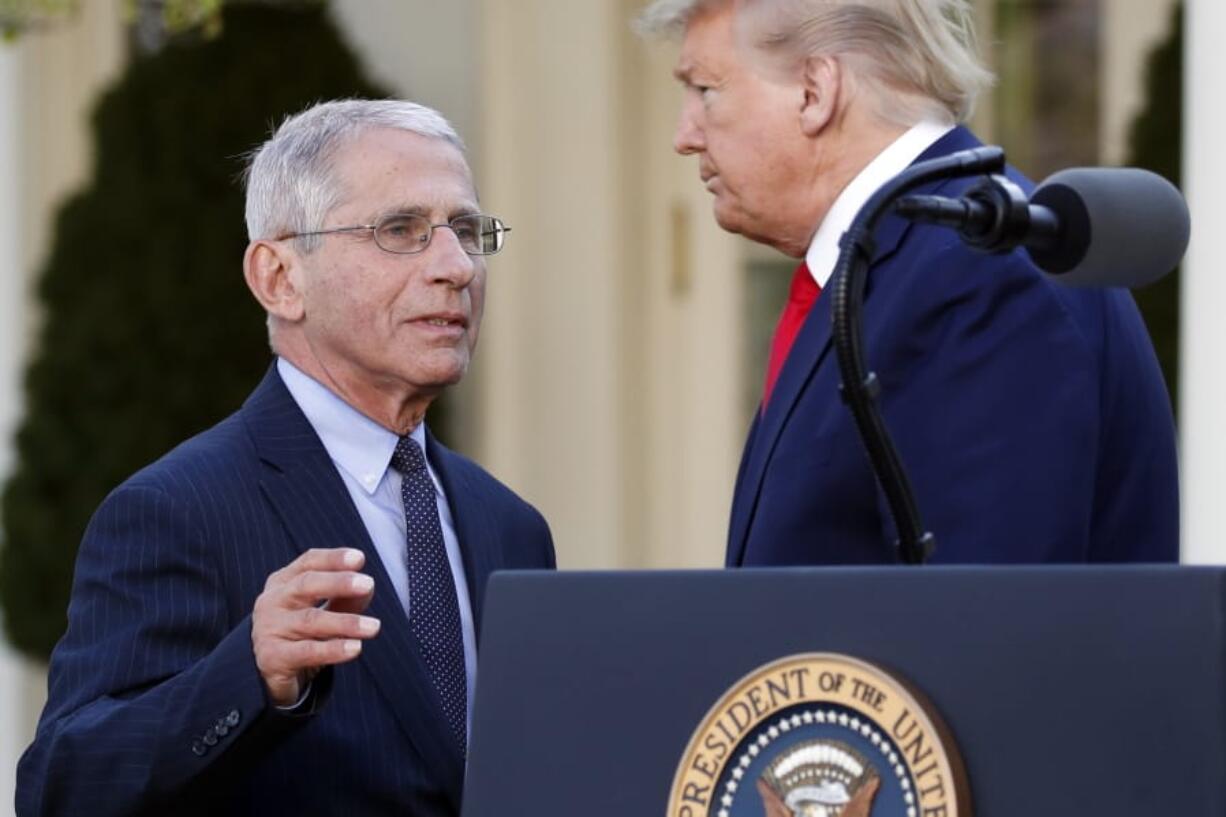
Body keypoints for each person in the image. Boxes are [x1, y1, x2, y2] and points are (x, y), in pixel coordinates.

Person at [16, 99, 555, 816]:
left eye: (464, 230)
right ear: (278, 277)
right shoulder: (177, 511)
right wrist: (249, 675)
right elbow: (64, 785)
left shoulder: (510, 525)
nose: (456, 266)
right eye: (401, 230)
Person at [638, 0, 1178, 565]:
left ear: (814, 91)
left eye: (705, 90)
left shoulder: (977, 271)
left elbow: (985, 623)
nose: (685, 135)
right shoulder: (908, 260)